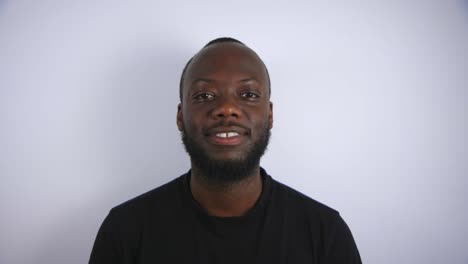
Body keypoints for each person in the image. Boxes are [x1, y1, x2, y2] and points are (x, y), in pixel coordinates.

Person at [89, 37, 362, 264]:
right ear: (181, 116)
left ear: (269, 115)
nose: (226, 109)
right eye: (204, 96)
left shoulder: (325, 234)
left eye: (249, 95)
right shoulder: (125, 232)